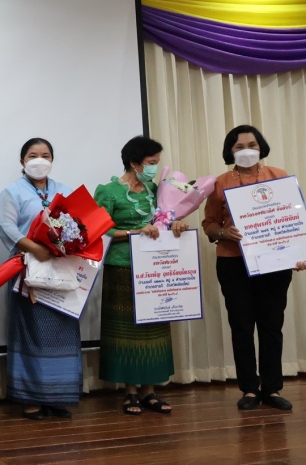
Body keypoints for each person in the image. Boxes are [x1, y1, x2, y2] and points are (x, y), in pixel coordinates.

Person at [201, 125, 296, 411]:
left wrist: (297, 253)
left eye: (251, 145)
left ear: (261, 146)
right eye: (239, 147)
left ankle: (272, 388)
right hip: (233, 262)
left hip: (274, 263)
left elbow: (292, 219)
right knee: (241, 326)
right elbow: (209, 224)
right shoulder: (219, 183)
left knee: (271, 325)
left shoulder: (278, 176)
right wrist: (223, 233)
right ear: (230, 151)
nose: (246, 151)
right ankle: (250, 389)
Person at [93, 136, 187, 415]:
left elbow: (165, 219)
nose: (154, 168)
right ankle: (130, 391)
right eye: (150, 163)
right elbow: (99, 231)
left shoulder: (156, 189)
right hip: (121, 267)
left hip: (155, 267)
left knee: (153, 327)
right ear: (134, 163)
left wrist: (177, 224)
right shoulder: (108, 190)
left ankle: (150, 391)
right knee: (125, 330)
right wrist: (134, 232)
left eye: (157, 162)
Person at [0, 138, 80, 420]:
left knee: (62, 332)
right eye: (33, 155)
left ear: (52, 160)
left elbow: (80, 225)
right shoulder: (12, 192)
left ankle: (58, 396)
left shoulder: (66, 191)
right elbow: (6, 226)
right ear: (22, 161)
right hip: (28, 271)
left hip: (62, 271)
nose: (39, 160)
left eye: (45, 155)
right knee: (30, 333)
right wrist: (35, 248)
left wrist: (67, 245)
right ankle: (31, 398)